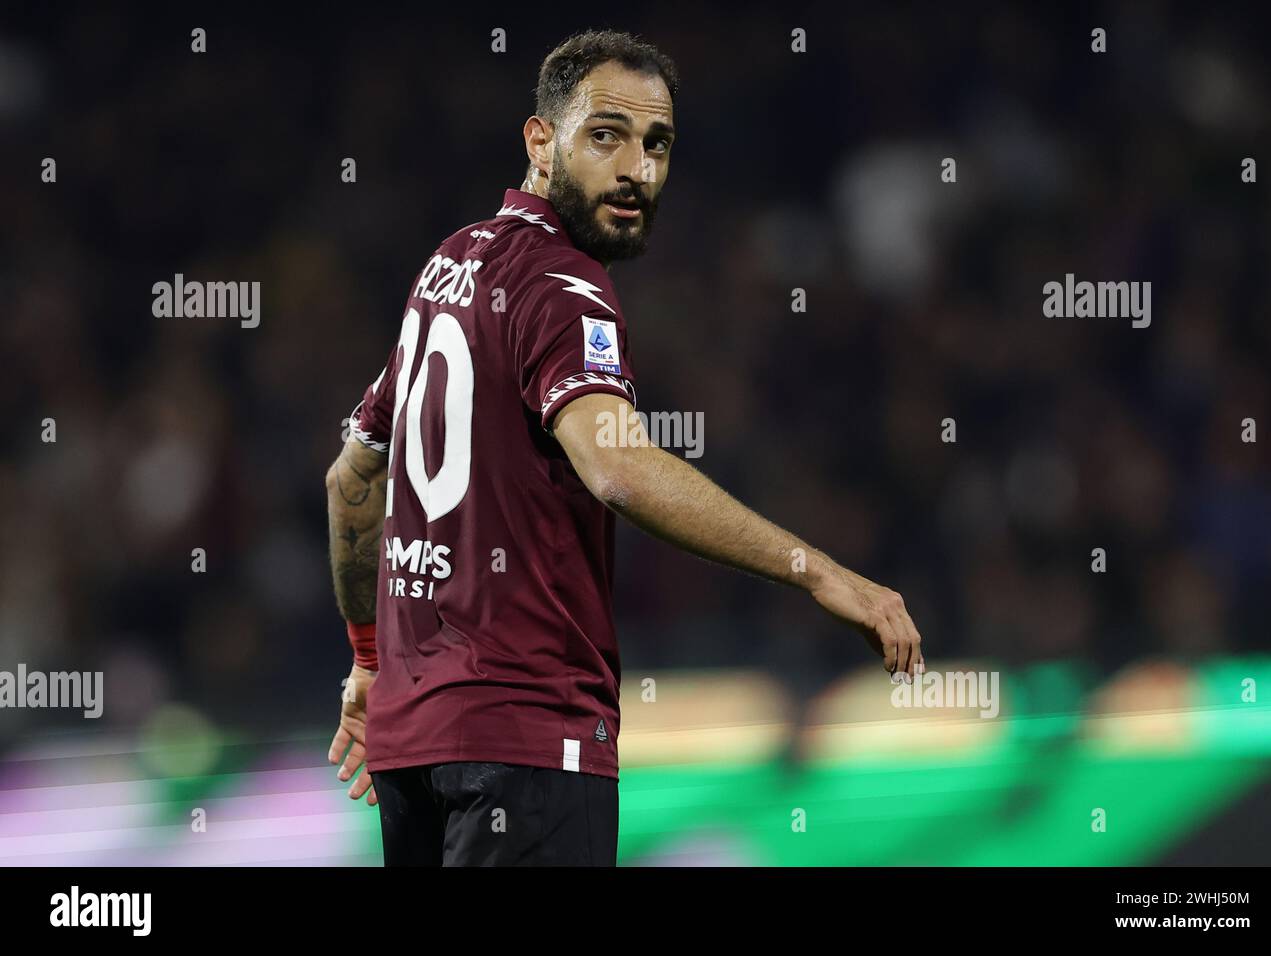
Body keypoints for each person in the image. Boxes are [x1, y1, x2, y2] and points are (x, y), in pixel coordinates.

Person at [324, 28, 923, 867]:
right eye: (606, 136)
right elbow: (618, 468)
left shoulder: (448, 267)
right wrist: (821, 571)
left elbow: (352, 474)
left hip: (413, 751)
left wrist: (367, 661)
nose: (637, 170)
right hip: (529, 740)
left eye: (657, 145)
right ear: (540, 140)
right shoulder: (567, 287)